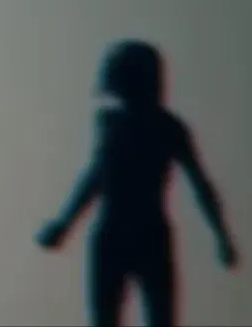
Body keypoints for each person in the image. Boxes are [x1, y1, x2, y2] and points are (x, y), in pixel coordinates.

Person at [37, 39, 238, 327]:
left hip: (143, 235)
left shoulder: (166, 129)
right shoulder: (114, 125)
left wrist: (221, 235)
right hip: (119, 236)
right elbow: (96, 177)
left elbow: (200, 185)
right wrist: (64, 223)